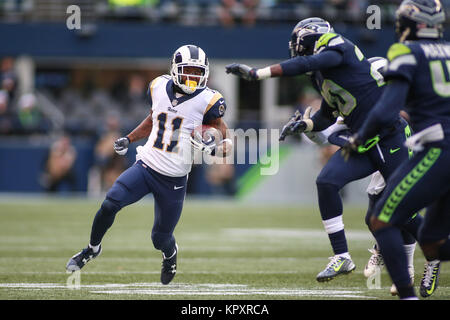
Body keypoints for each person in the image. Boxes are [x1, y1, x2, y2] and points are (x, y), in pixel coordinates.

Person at [225, 17, 425, 283]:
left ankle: (438, 246)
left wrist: (257, 74)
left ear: (307, 39)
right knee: (327, 181)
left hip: (390, 137)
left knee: (401, 211)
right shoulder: (322, 76)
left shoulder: (337, 46)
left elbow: (308, 62)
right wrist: (304, 124)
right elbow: (326, 115)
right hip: (362, 141)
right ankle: (342, 255)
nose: (295, 51)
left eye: (297, 45)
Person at [66, 45, 233, 285]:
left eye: (198, 73)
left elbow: (221, 131)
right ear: (175, 70)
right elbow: (153, 118)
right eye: (188, 71)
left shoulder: (209, 100)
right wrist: (130, 138)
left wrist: (218, 143)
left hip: (174, 179)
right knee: (109, 203)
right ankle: (92, 249)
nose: (194, 78)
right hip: (146, 165)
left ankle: (170, 253)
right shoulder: (157, 86)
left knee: (160, 237)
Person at [343, 0, 449, 299]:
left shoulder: (407, 52)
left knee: (381, 219)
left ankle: (407, 295)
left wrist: (358, 137)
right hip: (433, 145)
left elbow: (386, 109)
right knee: (432, 239)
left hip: (439, 150)